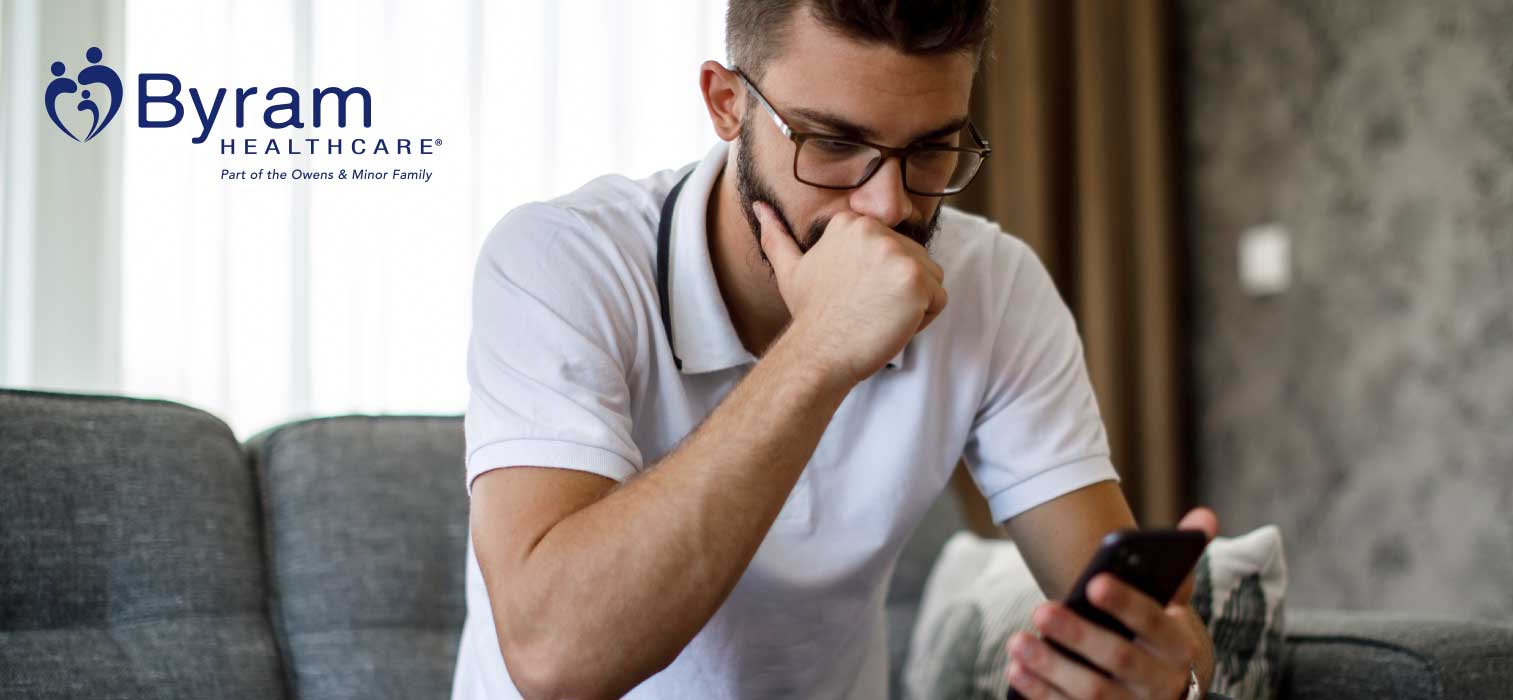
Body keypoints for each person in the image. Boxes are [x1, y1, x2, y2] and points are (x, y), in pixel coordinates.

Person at [453, 1, 1219, 698]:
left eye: (931, 150)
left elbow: (1147, 628)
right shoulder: (558, 260)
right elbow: (554, 659)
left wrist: (1163, 677)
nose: (887, 206)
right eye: (833, 144)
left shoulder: (996, 285)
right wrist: (819, 349)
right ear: (727, 102)